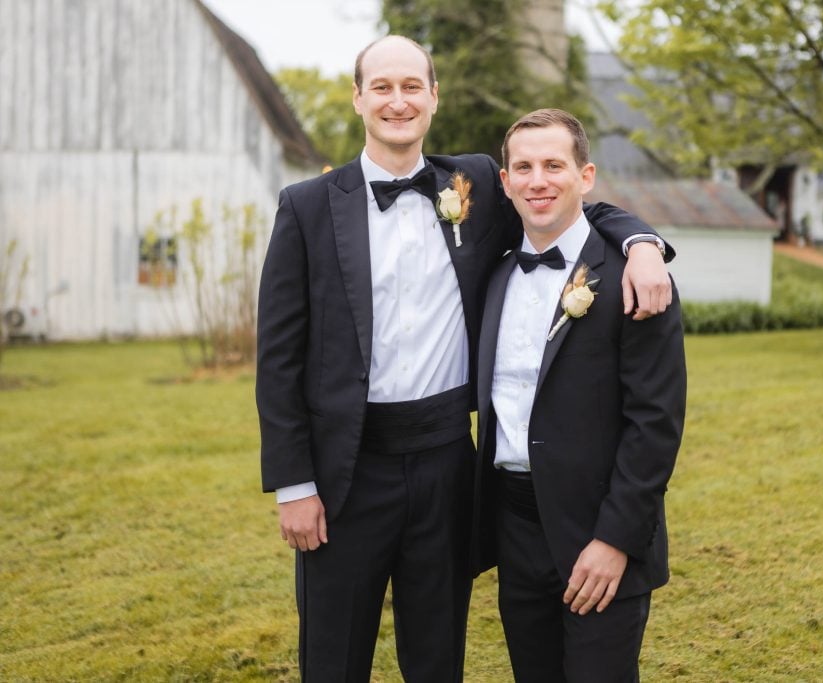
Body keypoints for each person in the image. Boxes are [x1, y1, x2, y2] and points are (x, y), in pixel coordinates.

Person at [256, 36, 674, 682]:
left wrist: (642, 241)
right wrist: (295, 483)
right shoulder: (308, 207)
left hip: (449, 466)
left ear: (434, 97)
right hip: (345, 473)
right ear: (359, 98)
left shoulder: (476, 181)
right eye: (383, 87)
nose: (399, 101)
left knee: (437, 656)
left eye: (413, 87)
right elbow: (279, 356)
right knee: (332, 659)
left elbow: (567, 206)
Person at [472, 109, 686, 682]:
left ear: (585, 176)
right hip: (514, 528)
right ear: (505, 181)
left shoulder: (634, 280)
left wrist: (614, 540)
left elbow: (655, 423)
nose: (537, 180)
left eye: (553, 165)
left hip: (599, 532)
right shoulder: (492, 271)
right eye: (523, 167)